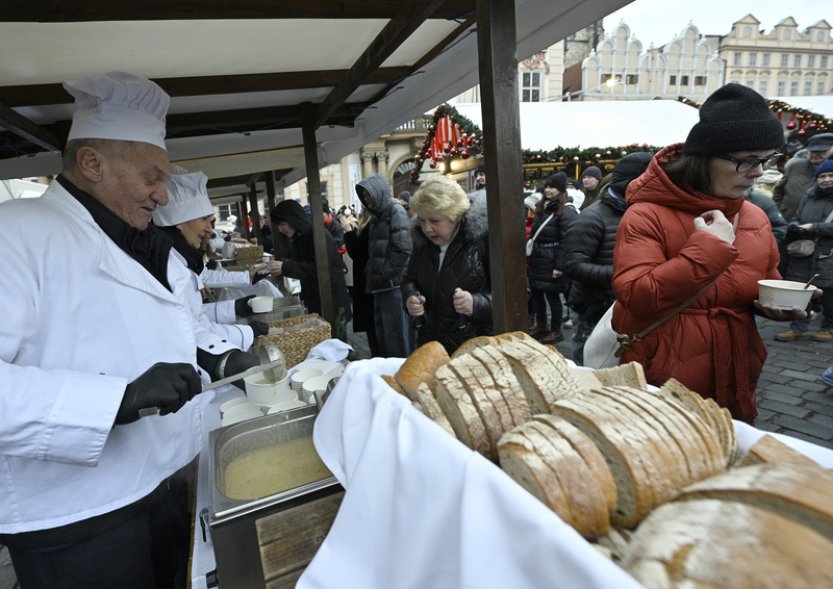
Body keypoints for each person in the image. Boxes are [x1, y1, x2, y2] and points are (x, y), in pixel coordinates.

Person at [0, 72, 230, 589]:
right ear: (92, 163)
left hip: (163, 483)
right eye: (152, 177)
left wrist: (212, 357)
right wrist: (116, 400)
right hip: (75, 517)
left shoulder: (129, 239)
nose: (162, 194)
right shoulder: (13, 232)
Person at [611, 83, 808, 425]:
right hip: (664, 381)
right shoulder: (647, 214)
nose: (760, 171)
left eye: (767, 159)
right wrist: (709, 248)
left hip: (736, 373)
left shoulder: (755, 216)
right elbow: (637, 297)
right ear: (704, 158)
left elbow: (763, 282)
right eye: (747, 160)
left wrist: (777, 306)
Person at [153, 170, 269, 350]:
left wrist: (235, 307)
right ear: (178, 222)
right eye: (203, 219)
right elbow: (193, 329)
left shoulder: (183, 259)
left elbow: (196, 315)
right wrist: (245, 333)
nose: (210, 229)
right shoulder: (169, 267)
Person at [563, 152, 652, 365]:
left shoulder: (641, 212)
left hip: (626, 308)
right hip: (593, 308)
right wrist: (623, 274)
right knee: (592, 367)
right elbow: (574, 265)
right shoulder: (592, 216)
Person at [403, 176, 491, 354]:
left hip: (475, 351)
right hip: (431, 349)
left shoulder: (483, 239)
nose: (427, 228)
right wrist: (411, 297)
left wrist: (476, 303)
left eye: (434, 221)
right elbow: (409, 280)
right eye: (422, 220)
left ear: (455, 215)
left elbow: (517, 295)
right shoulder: (420, 241)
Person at [267, 199, 352, 341]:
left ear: (292, 219)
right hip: (316, 300)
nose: (281, 229)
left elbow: (319, 269)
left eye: (282, 224)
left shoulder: (318, 235)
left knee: (336, 343)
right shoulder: (300, 237)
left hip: (331, 301)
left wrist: (285, 267)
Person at [776, 159, 833, 343]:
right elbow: (797, 217)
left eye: (831, 176)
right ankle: (798, 327)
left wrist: (813, 227)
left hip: (828, 254)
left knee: (828, 294)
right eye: (822, 176)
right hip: (805, 252)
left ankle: (828, 328)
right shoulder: (809, 196)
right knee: (801, 290)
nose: (826, 179)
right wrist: (794, 225)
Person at [356, 173, 413, 357]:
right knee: (384, 340)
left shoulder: (395, 210)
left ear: (378, 191)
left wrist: (385, 273)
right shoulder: (377, 216)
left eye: (367, 194)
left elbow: (403, 249)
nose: (366, 199)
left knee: (396, 341)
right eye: (363, 196)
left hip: (392, 287)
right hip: (380, 287)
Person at [528, 172, 577, 344]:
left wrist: (559, 266)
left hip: (552, 260)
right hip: (538, 258)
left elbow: (567, 241)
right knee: (537, 294)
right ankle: (541, 327)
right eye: (546, 186)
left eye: (552, 187)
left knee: (553, 297)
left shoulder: (566, 211)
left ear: (561, 190)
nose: (548, 190)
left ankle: (556, 330)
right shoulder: (543, 207)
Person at [341, 210, 381, 357]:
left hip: (368, 282)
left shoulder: (373, 223)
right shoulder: (372, 222)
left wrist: (349, 232)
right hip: (367, 281)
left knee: (373, 330)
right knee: (372, 329)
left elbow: (357, 252)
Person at [773, 133, 833, 223]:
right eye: (812, 151)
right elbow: (779, 190)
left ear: (831, 151)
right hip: (785, 220)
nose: (815, 154)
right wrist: (778, 211)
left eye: (821, 151)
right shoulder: (795, 166)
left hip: (815, 227)